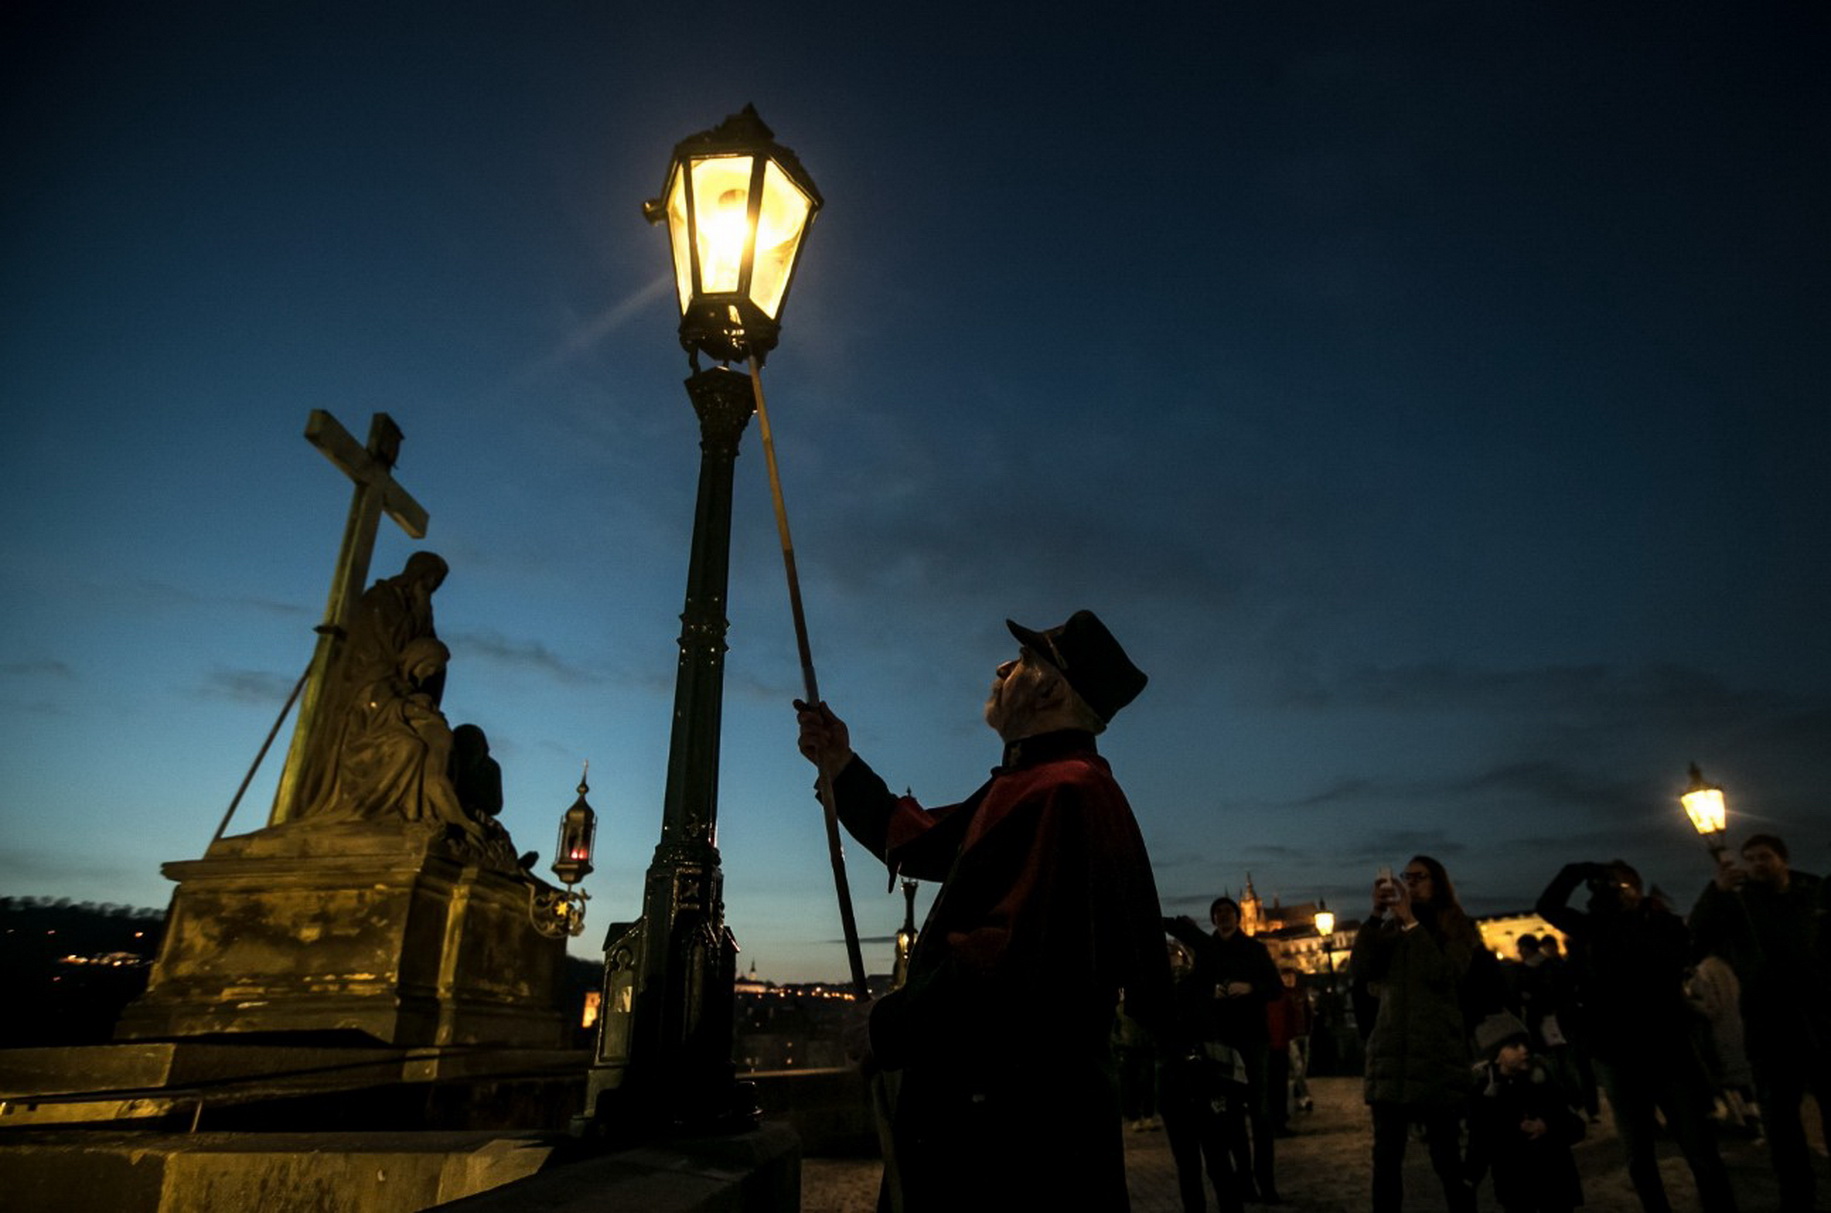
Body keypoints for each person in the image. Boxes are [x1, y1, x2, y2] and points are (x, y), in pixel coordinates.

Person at [794, 609, 1170, 1212]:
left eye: (1024, 660)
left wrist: (887, 1025)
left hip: (1011, 1138)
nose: (1002, 668)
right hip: (1007, 1122)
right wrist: (840, 765)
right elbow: (929, 840)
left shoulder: (1066, 790)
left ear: (1049, 688)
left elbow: (1009, 960)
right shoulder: (1042, 782)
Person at [1537, 861, 1736, 1213]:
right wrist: (1575, 871)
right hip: (1617, 1055)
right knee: (1639, 1158)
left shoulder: (1660, 924)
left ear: (1637, 889)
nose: (1611, 893)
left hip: (1667, 1050)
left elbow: (1682, 955)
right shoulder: (1592, 928)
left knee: (1699, 1150)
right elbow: (1547, 907)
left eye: (1618, 886)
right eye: (1605, 887)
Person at [1689, 833, 1830, 1212]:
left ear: (1782, 859)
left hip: (1819, 1018)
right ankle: (1797, 1198)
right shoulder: (1737, 901)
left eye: (1764, 857)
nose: (1756, 864)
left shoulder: (1812, 893)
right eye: (1750, 858)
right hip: (1769, 1024)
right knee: (1782, 1125)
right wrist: (1714, 893)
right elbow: (1695, 941)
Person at [1349, 855, 1479, 1213]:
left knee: (1447, 1160)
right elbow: (1360, 970)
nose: (1410, 883)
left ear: (1438, 882)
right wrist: (1376, 916)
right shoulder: (1389, 931)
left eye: (1418, 877)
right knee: (1386, 1161)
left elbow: (1445, 975)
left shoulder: (1458, 927)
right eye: (1406, 877)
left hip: (1436, 1056)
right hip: (1392, 1055)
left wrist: (1408, 922)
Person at [1167, 898, 1283, 1202]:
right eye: (1217, 913)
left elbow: (1275, 987)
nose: (1223, 917)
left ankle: (1266, 1182)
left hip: (1252, 1037)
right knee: (1231, 1117)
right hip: (1221, 1041)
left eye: (1228, 912)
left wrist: (1250, 987)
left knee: (1259, 1113)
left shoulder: (1254, 949)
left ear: (1238, 916)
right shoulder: (1206, 952)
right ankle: (1243, 1182)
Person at [1466, 1012, 1585, 1213]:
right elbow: (1480, 1140)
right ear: (1496, 1056)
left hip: (1555, 1183)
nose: (1524, 1050)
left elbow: (1575, 1126)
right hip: (1516, 1188)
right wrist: (1470, 1177)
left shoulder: (1543, 1082)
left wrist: (1547, 1126)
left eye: (1524, 1043)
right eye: (1513, 1046)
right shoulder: (1485, 1096)